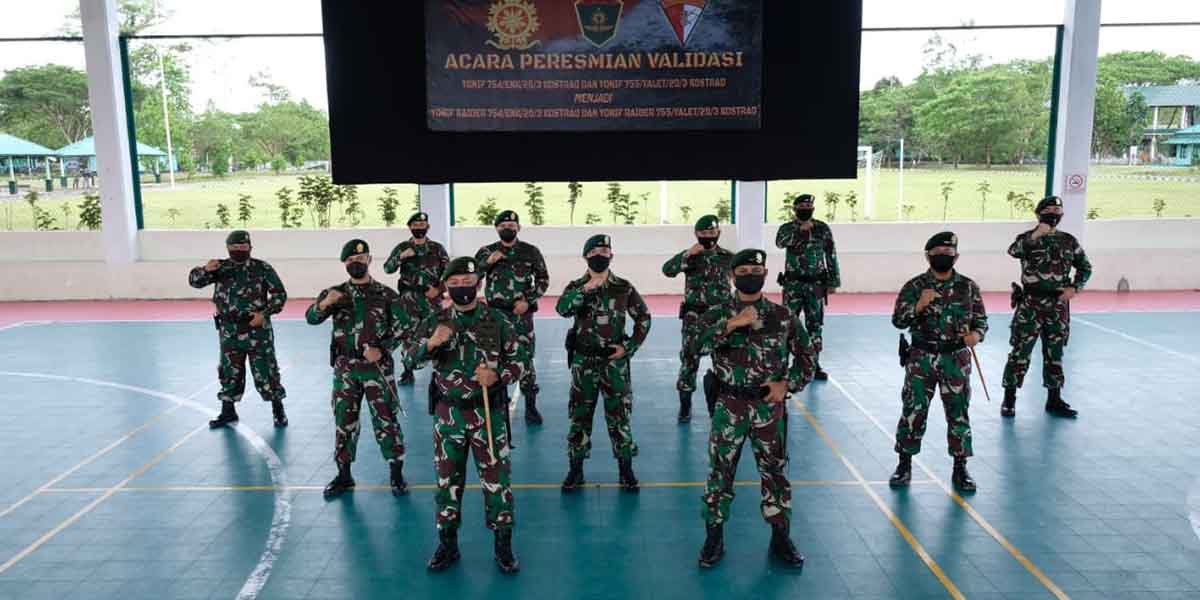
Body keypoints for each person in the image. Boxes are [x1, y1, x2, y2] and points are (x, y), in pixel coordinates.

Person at [693, 249, 813, 569]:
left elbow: (807, 358)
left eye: (755, 269)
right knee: (720, 471)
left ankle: (780, 536)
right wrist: (732, 324)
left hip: (767, 407)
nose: (750, 274)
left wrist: (787, 385)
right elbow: (693, 347)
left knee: (774, 472)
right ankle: (714, 536)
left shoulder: (783, 315)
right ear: (732, 276)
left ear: (765, 273)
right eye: (743, 269)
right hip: (729, 404)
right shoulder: (717, 314)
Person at [406, 257, 525, 574]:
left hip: (488, 415)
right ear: (446, 286)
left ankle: (503, 547)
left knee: (497, 482)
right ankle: (448, 545)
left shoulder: (497, 320)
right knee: (447, 481)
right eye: (454, 283)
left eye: (467, 282)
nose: (461, 288)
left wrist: (499, 374)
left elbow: (522, 359)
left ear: (479, 284)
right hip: (449, 417)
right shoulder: (436, 319)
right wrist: (431, 344)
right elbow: (408, 359)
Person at [306, 239, 410, 499]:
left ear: (369, 261)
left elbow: (405, 327)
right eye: (351, 260)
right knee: (344, 421)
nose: (356, 263)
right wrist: (324, 303)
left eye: (361, 259)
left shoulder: (386, 294)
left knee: (387, 420)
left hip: (377, 370)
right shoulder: (335, 293)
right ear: (345, 263)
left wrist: (384, 348)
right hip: (346, 371)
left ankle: (396, 474)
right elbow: (311, 318)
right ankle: (344, 475)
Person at [888, 232, 988, 493]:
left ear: (956, 255)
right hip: (921, 358)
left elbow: (981, 321)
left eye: (948, 251)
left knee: (958, 412)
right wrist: (919, 305)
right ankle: (904, 464)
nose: (944, 255)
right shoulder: (914, 286)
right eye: (938, 252)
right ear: (928, 255)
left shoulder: (968, 287)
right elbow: (898, 320)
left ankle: (960, 467)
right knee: (913, 410)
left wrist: (976, 335)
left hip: (955, 358)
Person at [557, 235, 652, 493]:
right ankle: (576, 470)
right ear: (586, 255)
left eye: (605, 250)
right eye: (596, 250)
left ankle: (626, 470)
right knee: (579, 417)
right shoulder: (576, 285)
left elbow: (643, 317)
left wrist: (629, 347)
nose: (601, 254)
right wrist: (585, 290)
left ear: (612, 255)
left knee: (619, 416)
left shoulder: (623, 287)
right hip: (583, 362)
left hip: (614, 363)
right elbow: (562, 309)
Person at [1000, 196, 1092, 418]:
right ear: (1039, 213)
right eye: (1049, 209)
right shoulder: (1027, 239)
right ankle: (1009, 400)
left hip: (1057, 305)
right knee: (1020, 353)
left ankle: (1054, 399)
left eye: (1058, 210)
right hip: (1030, 304)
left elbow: (1085, 267)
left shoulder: (1068, 241)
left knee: (1055, 354)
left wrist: (1074, 288)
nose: (1054, 213)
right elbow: (1013, 251)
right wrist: (1036, 235)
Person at [188, 230, 288, 429]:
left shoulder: (262, 268)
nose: (239, 250)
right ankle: (228, 411)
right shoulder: (220, 267)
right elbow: (194, 282)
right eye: (234, 247)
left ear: (250, 247)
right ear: (228, 248)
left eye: (243, 247)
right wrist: (206, 270)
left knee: (266, 370)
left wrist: (264, 314)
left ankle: (278, 410)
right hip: (229, 330)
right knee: (229, 370)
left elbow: (280, 295)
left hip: (256, 329)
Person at [474, 210, 550, 425]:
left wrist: (528, 300)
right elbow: (472, 276)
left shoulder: (530, 251)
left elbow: (543, 279)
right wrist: (488, 262)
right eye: (503, 224)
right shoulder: (486, 251)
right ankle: (497, 401)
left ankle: (531, 405)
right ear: (496, 228)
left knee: (525, 358)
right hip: (495, 315)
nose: (508, 227)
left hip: (521, 314)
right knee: (493, 357)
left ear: (518, 227)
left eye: (512, 224)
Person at [662, 215, 734, 422]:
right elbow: (667, 270)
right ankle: (685, 406)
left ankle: (722, 405)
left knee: (723, 360)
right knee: (689, 360)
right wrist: (687, 254)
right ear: (696, 234)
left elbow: (744, 280)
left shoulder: (728, 257)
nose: (708, 237)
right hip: (695, 317)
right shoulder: (691, 256)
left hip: (721, 317)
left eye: (712, 233)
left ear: (718, 233)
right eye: (704, 234)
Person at [775, 193, 841, 381]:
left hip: (816, 285)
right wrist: (800, 231)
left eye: (808, 206)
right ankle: (783, 365)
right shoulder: (787, 229)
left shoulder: (822, 228)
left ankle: (813, 364)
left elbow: (831, 254)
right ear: (795, 209)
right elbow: (780, 243)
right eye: (802, 207)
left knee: (815, 326)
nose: (806, 209)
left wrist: (833, 281)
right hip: (793, 285)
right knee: (787, 324)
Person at [383, 211, 449, 387]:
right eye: (415, 225)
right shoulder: (402, 247)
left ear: (428, 227)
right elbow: (387, 268)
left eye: (422, 225)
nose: (419, 228)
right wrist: (400, 257)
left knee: (436, 333)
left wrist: (439, 289)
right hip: (408, 299)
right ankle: (407, 370)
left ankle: (439, 371)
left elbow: (449, 273)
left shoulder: (437, 248)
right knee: (408, 335)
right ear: (410, 227)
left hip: (431, 299)